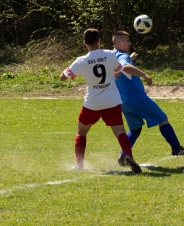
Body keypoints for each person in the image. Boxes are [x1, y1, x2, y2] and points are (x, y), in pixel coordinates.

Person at [60, 28, 142, 174]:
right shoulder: (110, 54)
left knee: (82, 132)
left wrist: (71, 74)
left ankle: (79, 164)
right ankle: (128, 155)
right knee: (119, 131)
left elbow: (63, 77)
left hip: (93, 102)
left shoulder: (81, 61)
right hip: (112, 100)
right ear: (99, 41)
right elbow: (117, 74)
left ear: (85, 43)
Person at [111, 30, 184, 166]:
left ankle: (123, 156)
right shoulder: (122, 56)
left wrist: (130, 59)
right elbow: (125, 67)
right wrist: (144, 75)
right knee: (162, 118)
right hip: (136, 98)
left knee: (135, 129)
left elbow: (121, 66)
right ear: (120, 43)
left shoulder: (111, 55)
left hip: (123, 101)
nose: (130, 43)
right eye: (127, 41)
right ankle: (176, 147)